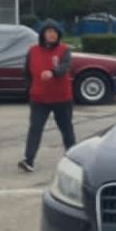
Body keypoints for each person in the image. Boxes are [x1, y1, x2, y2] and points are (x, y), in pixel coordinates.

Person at [17, 19, 76, 174]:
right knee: (35, 129)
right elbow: (26, 72)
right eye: (49, 32)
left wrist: (53, 72)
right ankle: (28, 160)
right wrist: (29, 88)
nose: (52, 35)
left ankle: (74, 158)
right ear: (43, 34)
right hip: (38, 99)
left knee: (66, 129)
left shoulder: (64, 50)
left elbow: (65, 67)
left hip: (61, 98)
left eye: (55, 32)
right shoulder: (33, 51)